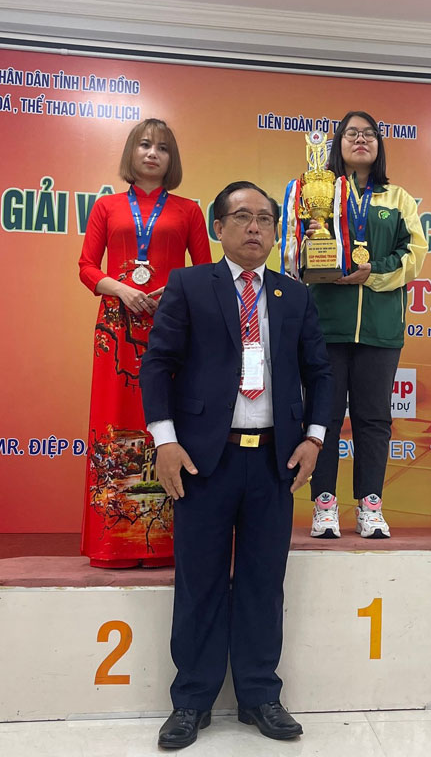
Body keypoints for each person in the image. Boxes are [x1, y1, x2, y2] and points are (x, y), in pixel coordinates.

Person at [141, 181, 333, 749]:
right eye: (242, 217)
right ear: (217, 227)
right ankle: (191, 701)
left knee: (262, 583)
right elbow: (157, 365)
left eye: (265, 219)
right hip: (204, 460)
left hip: (275, 461)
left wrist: (315, 438)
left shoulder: (294, 295)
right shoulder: (190, 284)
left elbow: (321, 373)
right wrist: (164, 441)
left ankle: (259, 696)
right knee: (199, 581)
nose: (255, 228)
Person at [77, 119, 211, 568]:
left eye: (163, 148)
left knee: (168, 419)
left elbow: (204, 271)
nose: (153, 153)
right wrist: (121, 289)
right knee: (117, 420)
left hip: (171, 324)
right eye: (145, 145)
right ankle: (114, 543)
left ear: (172, 159)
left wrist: (173, 292)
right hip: (117, 327)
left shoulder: (189, 210)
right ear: (131, 153)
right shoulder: (106, 207)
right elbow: (86, 267)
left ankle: (165, 541)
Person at [301, 111, 427, 539]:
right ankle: (324, 506)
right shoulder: (318, 192)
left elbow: (414, 255)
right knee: (323, 418)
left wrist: (374, 271)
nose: (361, 139)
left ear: (379, 145)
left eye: (369, 134)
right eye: (352, 133)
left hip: (380, 327)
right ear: (338, 143)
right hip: (326, 324)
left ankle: (370, 506)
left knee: (374, 419)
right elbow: (293, 249)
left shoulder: (398, 198)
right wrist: (311, 245)